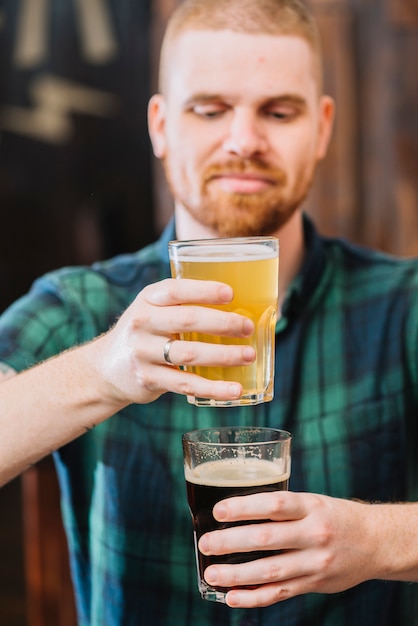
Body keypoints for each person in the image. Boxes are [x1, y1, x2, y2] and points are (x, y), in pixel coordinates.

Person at [0, 0, 417, 624]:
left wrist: (382, 539)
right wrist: (100, 372)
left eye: (278, 111)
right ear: (161, 125)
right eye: (210, 109)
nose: (244, 141)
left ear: (324, 127)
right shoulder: (79, 306)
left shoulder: (402, 305)